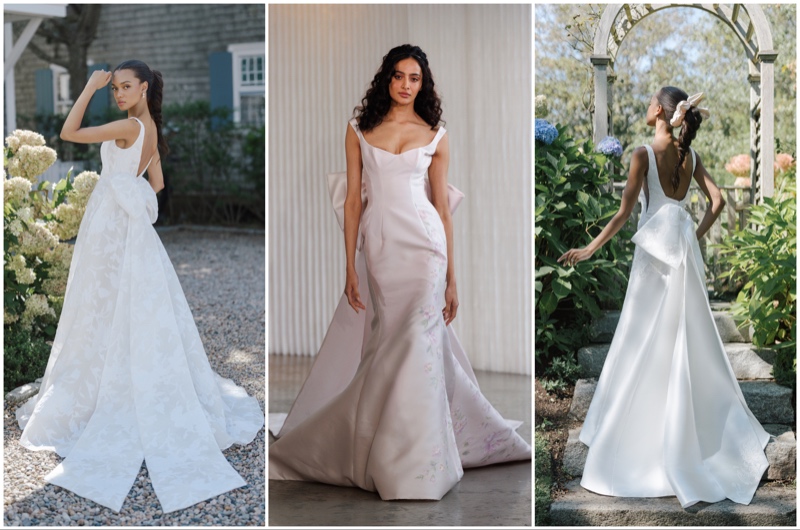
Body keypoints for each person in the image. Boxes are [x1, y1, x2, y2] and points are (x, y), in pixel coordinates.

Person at [269, 44, 531, 500]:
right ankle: (379, 449)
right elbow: (353, 202)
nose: (406, 85)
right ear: (385, 80)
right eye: (398, 76)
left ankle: (421, 463)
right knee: (388, 346)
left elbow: (441, 211)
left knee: (419, 346)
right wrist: (349, 264)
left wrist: (452, 277)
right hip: (383, 248)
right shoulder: (358, 130)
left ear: (423, 83)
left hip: (427, 248)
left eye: (414, 78)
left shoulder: (435, 133)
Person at [15, 60, 264, 514]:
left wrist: (89, 87)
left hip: (111, 227)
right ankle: (122, 377)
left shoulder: (129, 125)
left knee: (103, 305)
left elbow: (70, 132)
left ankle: (107, 390)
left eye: (126, 87)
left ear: (144, 87)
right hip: (128, 227)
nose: (120, 94)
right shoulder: (150, 130)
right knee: (126, 307)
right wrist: (129, 191)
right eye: (115, 89)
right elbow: (159, 183)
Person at [558, 87, 769, 507]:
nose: (648, 105)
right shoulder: (690, 157)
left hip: (653, 256)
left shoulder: (641, 154)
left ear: (658, 109)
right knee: (681, 338)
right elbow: (719, 199)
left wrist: (589, 249)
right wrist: (694, 234)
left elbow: (623, 213)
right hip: (681, 252)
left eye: (651, 100)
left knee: (641, 334)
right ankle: (692, 426)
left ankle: (639, 428)